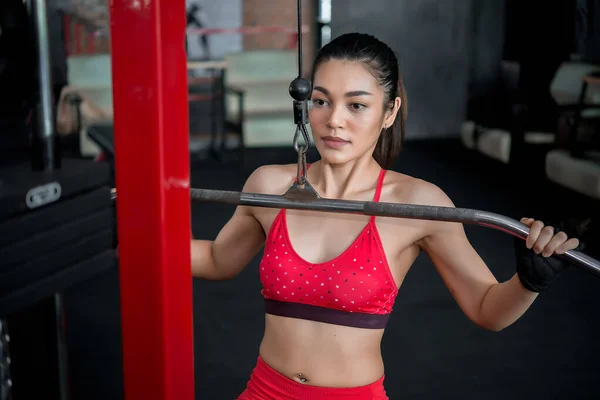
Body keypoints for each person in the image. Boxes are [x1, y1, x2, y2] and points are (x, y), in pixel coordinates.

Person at [190, 32, 580, 399]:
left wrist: (529, 281)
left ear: (390, 111)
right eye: (322, 101)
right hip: (264, 392)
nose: (334, 120)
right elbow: (216, 259)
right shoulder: (269, 186)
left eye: (356, 105)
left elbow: (486, 308)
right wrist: (136, 238)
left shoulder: (418, 204)